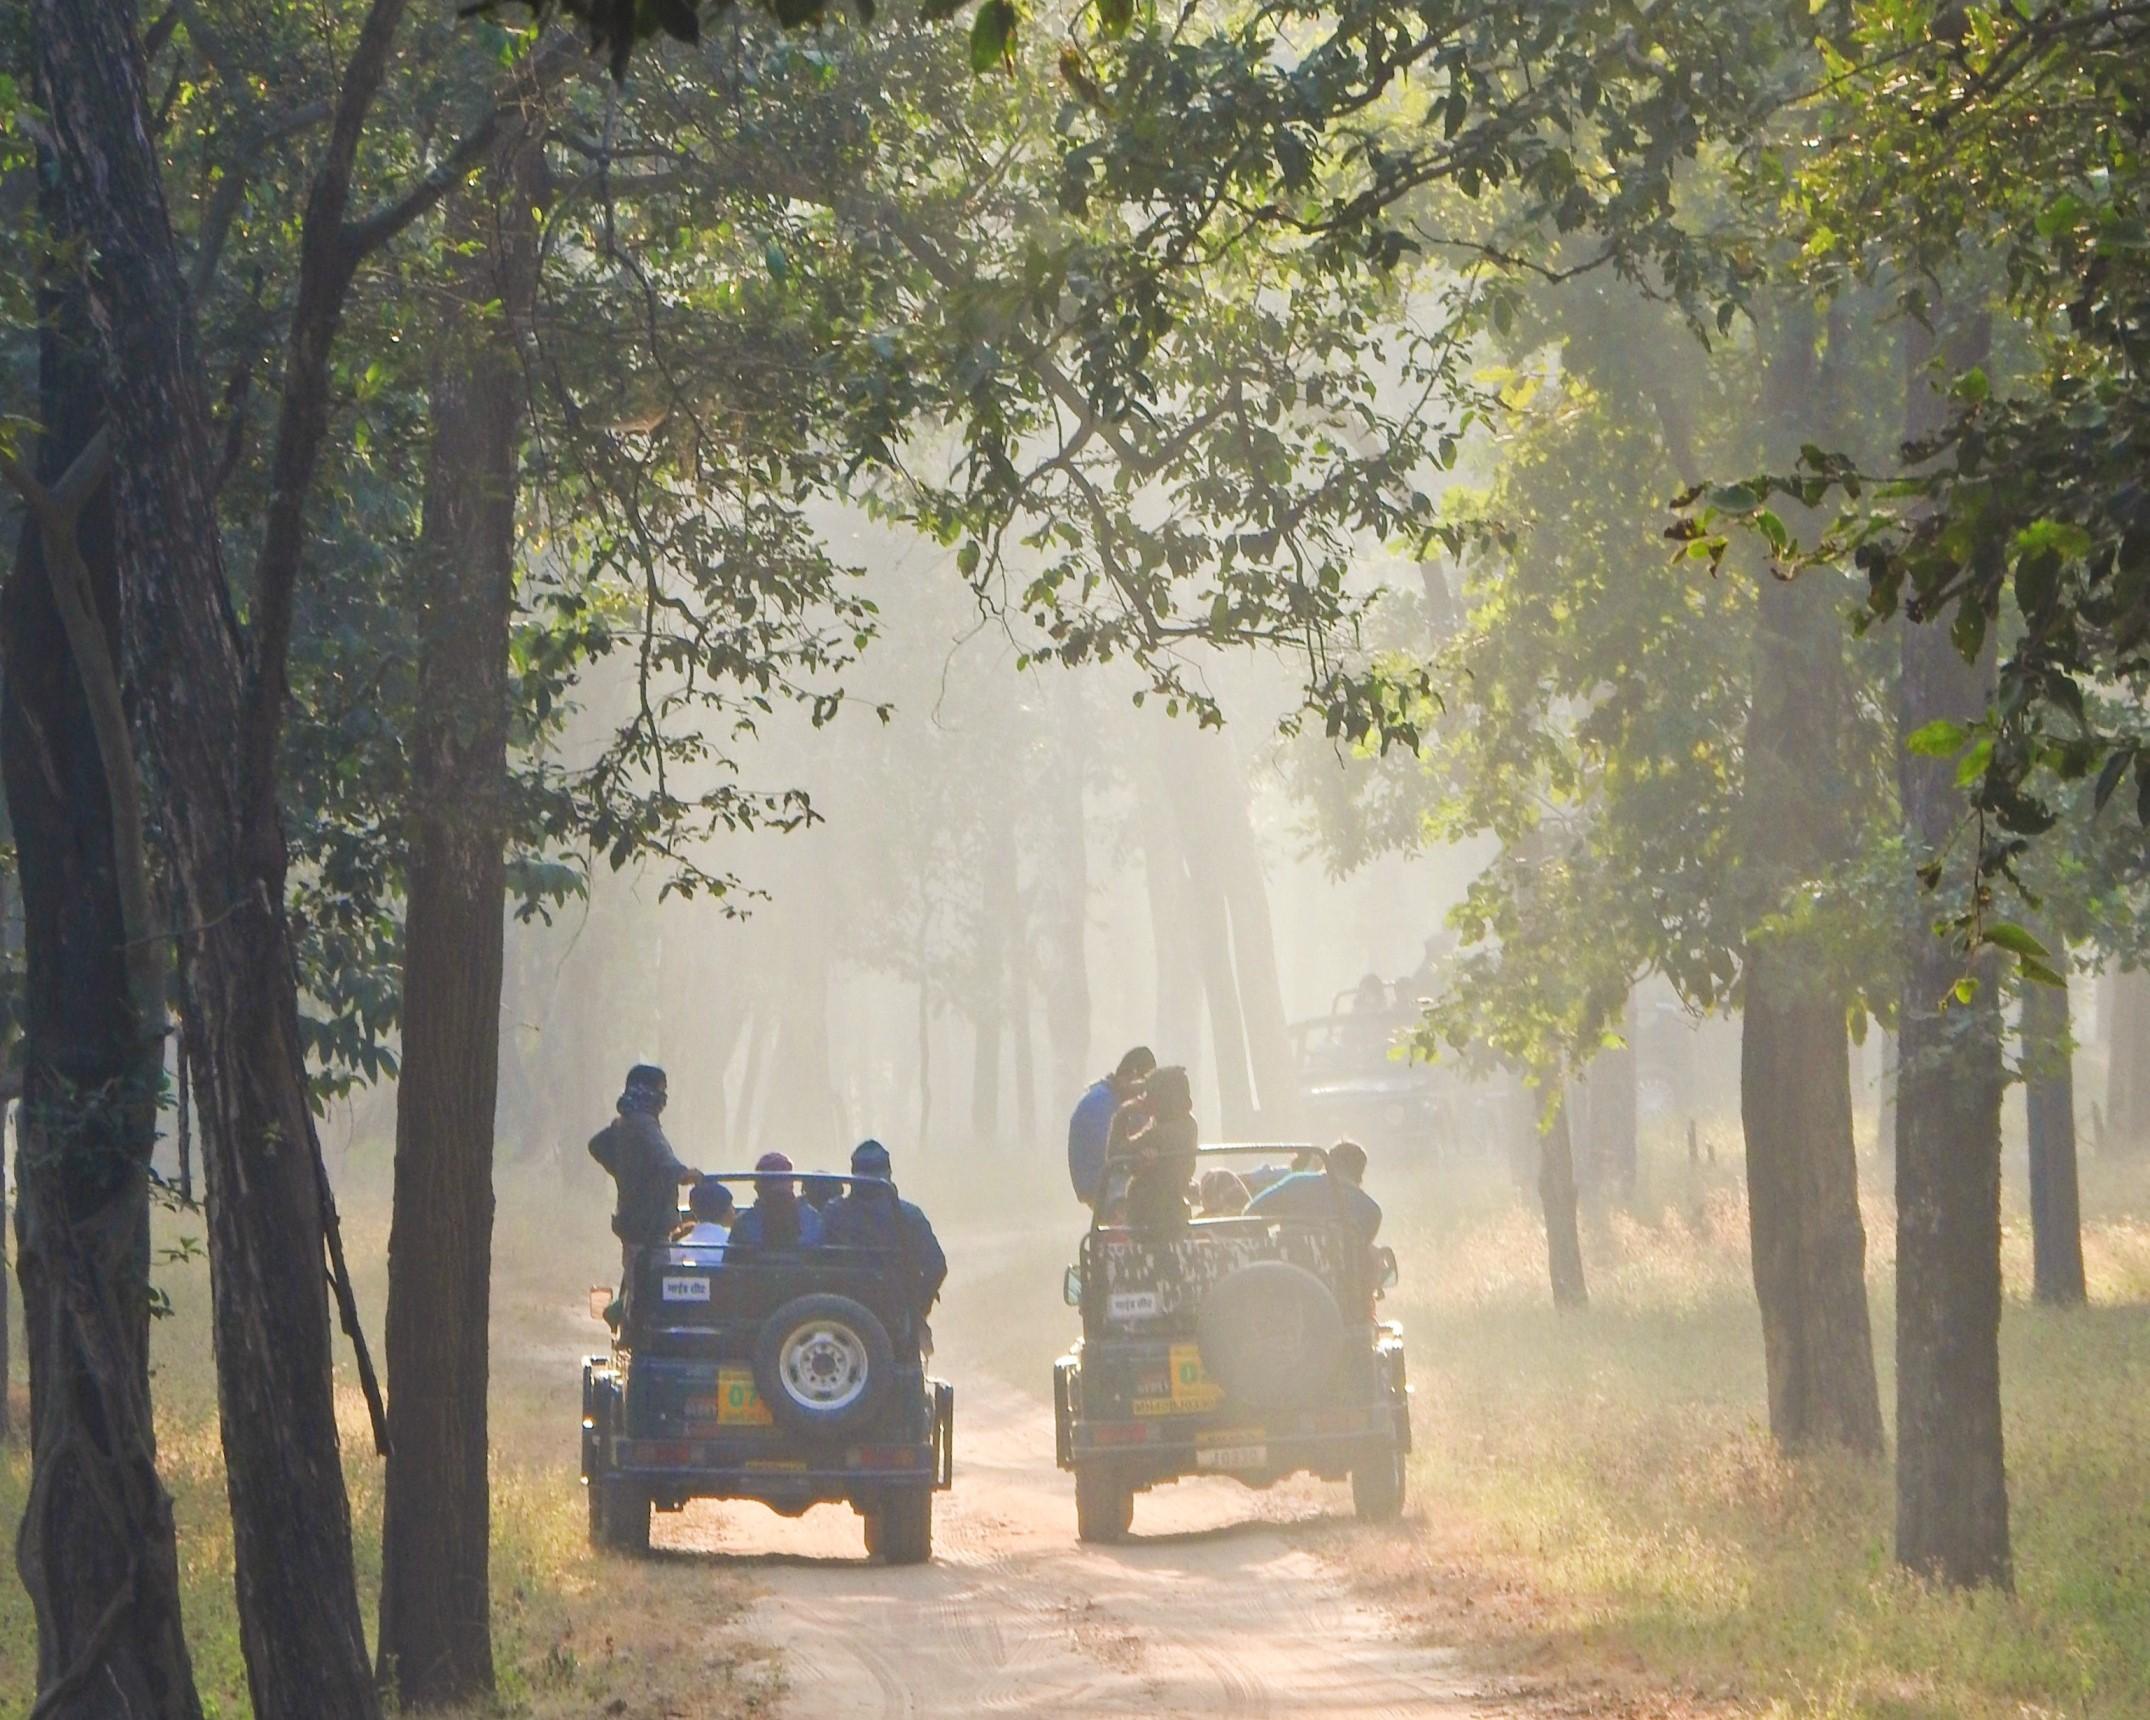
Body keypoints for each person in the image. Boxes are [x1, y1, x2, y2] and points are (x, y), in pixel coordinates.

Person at [588, 1063, 701, 1280]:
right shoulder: (643, 1123)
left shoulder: (625, 1122)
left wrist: (625, 1170)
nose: (663, 1098)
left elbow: (597, 1145)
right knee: (655, 1285)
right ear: (647, 1090)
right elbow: (664, 1159)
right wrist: (685, 1174)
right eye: (661, 1091)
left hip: (631, 1220)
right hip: (650, 1225)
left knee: (635, 1278)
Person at [824, 1139, 948, 1328]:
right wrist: (918, 1307)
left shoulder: (833, 1213)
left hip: (838, 1316)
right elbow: (936, 1266)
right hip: (896, 1313)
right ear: (888, 1173)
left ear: (854, 1175)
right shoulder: (909, 1215)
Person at [1245, 1138, 1382, 1243]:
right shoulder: (1371, 1211)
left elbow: (1250, 1214)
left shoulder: (1296, 1183)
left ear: (1328, 1163)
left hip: (1285, 1269)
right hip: (1337, 1277)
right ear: (1360, 1174)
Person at [1068, 1045, 1156, 1207]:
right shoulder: (1098, 1104)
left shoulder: (1122, 1098)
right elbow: (1109, 1153)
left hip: (1117, 1173)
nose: (1144, 1093)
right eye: (1143, 1086)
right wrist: (1139, 1160)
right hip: (1100, 1180)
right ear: (1131, 1076)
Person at [1114, 1064, 1198, 1230]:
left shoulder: (1162, 1133)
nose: (1145, 1099)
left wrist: (1123, 1113)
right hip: (1173, 1212)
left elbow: (1115, 1155)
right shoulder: (1189, 1124)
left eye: (1150, 1095)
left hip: (1148, 1217)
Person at [729, 1150, 826, 1248]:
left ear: (759, 1186)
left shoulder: (744, 1223)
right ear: (791, 1183)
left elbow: (730, 1260)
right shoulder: (813, 1219)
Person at [676, 1176, 735, 1255]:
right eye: (730, 1204)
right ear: (726, 1210)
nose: (734, 1209)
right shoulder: (731, 1243)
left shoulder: (679, 1246)